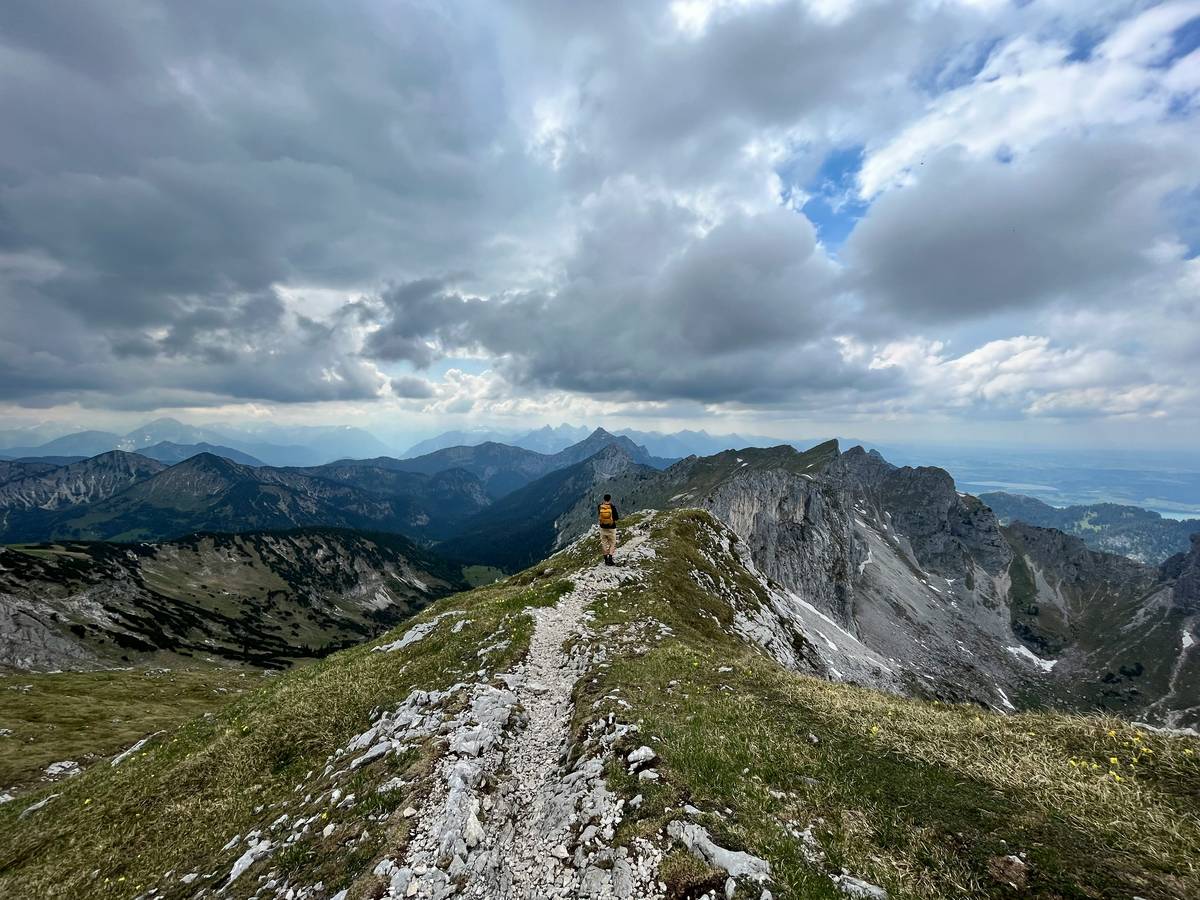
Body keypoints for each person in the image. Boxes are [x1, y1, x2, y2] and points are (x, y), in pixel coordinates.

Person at [598, 493, 619, 566]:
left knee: (604, 543)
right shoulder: (612, 507)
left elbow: (599, 516)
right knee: (612, 543)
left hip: (603, 528)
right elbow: (616, 518)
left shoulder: (600, 506)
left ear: (604, 499)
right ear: (610, 499)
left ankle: (606, 560)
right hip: (611, 528)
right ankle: (610, 558)